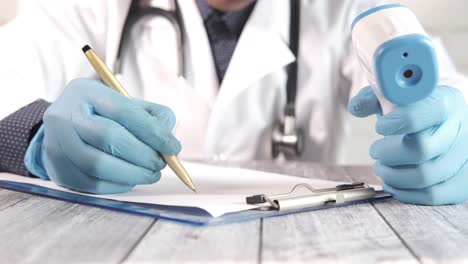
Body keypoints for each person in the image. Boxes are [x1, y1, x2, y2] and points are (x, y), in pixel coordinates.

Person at [0, 0, 467, 204]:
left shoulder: (341, 6)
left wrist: (451, 136)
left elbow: (442, 88)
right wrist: (34, 133)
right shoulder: (86, 4)